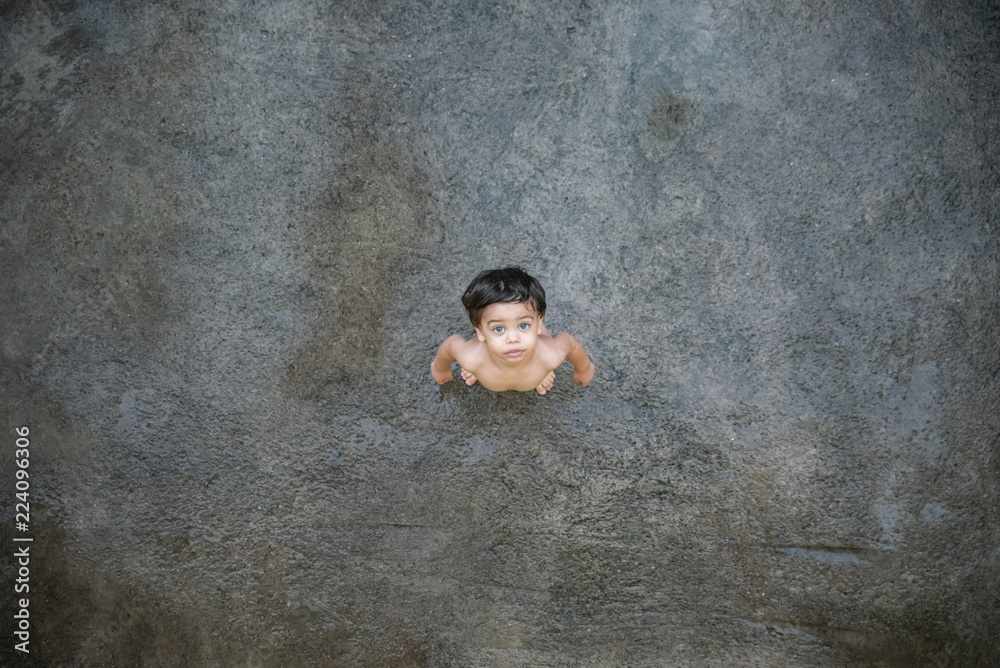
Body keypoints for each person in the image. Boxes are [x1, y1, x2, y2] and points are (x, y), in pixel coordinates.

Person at [431, 266, 595, 395]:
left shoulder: (550, 355)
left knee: (544, 336)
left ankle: (542, 366)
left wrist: (584, 368)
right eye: (499, 328)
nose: (513, 338)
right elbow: (451, 345)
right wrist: (440, 368)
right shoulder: (471, 358)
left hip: (539, 355)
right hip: (484, 360)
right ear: (479, 331)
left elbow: (570, 343)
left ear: (538, 322)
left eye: (523, 325)